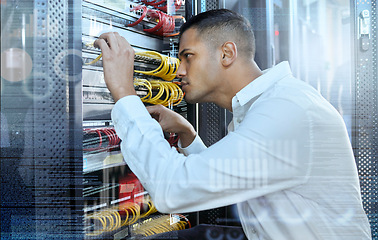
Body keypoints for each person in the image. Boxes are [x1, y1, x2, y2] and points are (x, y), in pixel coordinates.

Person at [95, 9, 371, 239]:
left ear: (227, 53)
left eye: (188, 56)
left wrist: (124, 92)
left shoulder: (285, 112)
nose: (179, 70)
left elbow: (174, 189)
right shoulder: (271, 105)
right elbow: (224, 180)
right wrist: (188, 135)